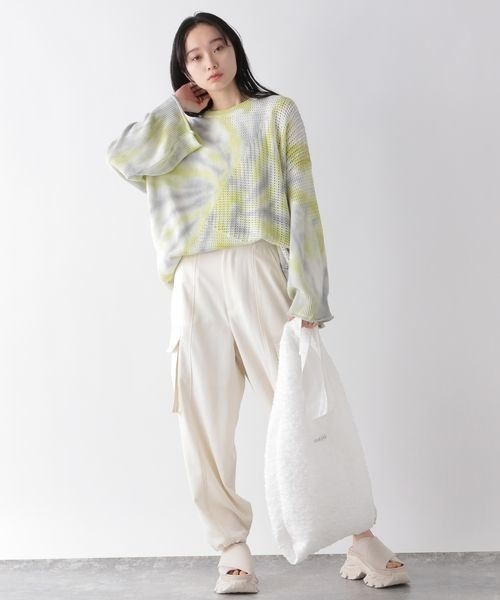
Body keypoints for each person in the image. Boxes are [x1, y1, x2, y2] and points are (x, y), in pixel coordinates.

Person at [106, 11, 409, 594]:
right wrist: (176, 110)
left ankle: (361, 537)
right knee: (203, 423)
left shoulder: (276, 115)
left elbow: (304, 204)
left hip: (259, 269)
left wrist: (310, 294)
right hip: (194, 281)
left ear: (235, 50)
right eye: (195, 56)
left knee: (303, 410)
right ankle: (232, 549)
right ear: (184, 69)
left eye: (218, 48)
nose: (210, 62)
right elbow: (122, 158)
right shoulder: (177, 131)